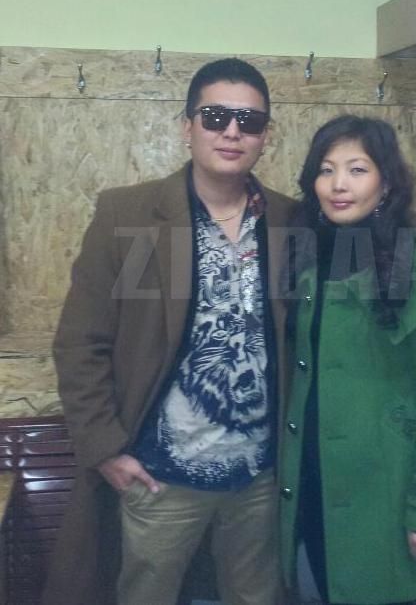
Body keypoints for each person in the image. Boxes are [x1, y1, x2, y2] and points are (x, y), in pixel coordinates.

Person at [43, 58, 296, 605]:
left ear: (265, 136)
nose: (232, 131)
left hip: (259, 474)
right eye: (216, 117)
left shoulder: (289, 221)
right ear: (187, 126)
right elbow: (81, 342)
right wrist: (106, 449)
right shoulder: (130, 215)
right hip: (159, 475)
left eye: (250, 121)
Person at [279, 115, 416, 605]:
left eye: (357, 169)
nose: (338, 184)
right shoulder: (305, 256)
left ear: (386, 183)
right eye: (326, 170)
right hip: (313, 483)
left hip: (386, 491)